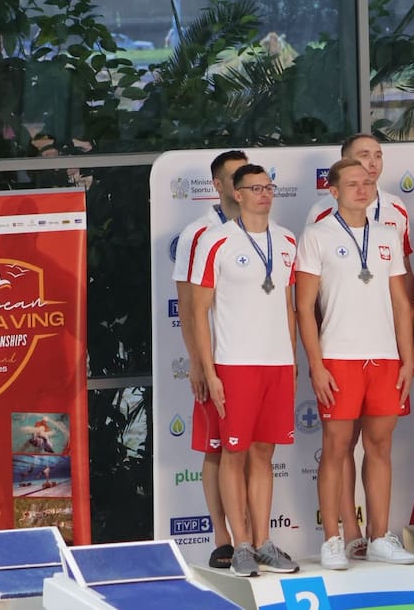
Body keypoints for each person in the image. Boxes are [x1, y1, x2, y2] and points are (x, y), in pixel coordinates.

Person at [297, 159, 414, 570]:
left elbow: (402, 302)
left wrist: (405, 356)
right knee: (335, 447)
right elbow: (303, 305)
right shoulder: (316, 235)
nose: (362, 189)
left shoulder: (388, 233)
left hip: (383, 356)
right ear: (333, 191)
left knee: (380, 447)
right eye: (352, 184)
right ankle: (333, 538)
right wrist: (316, 364)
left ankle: (380, 535)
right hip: (339, 356)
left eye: (366, 183)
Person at [190, 163, 301, 577]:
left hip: (276, 362)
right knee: (233, 453)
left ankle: (263, 541)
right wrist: (210, 370)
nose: (264, 194)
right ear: (237, 194)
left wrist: (291, 359)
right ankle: (239, 545)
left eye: (268, 187)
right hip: (234, 363)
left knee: (263, 453)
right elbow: (199, 311)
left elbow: (288, 307)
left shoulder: (287, 240)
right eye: (255, 188)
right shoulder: (215, 241)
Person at [172, 149, 248, 569]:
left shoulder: (264, 232)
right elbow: (187, 307)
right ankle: (223, 539)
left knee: (252, 452)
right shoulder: (197, 234)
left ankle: (253, 537)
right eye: (235, 178)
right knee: (217, 450)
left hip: (253, 362)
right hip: (217, 362)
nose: (244, 185)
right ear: (218, 186)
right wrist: (200, 364)